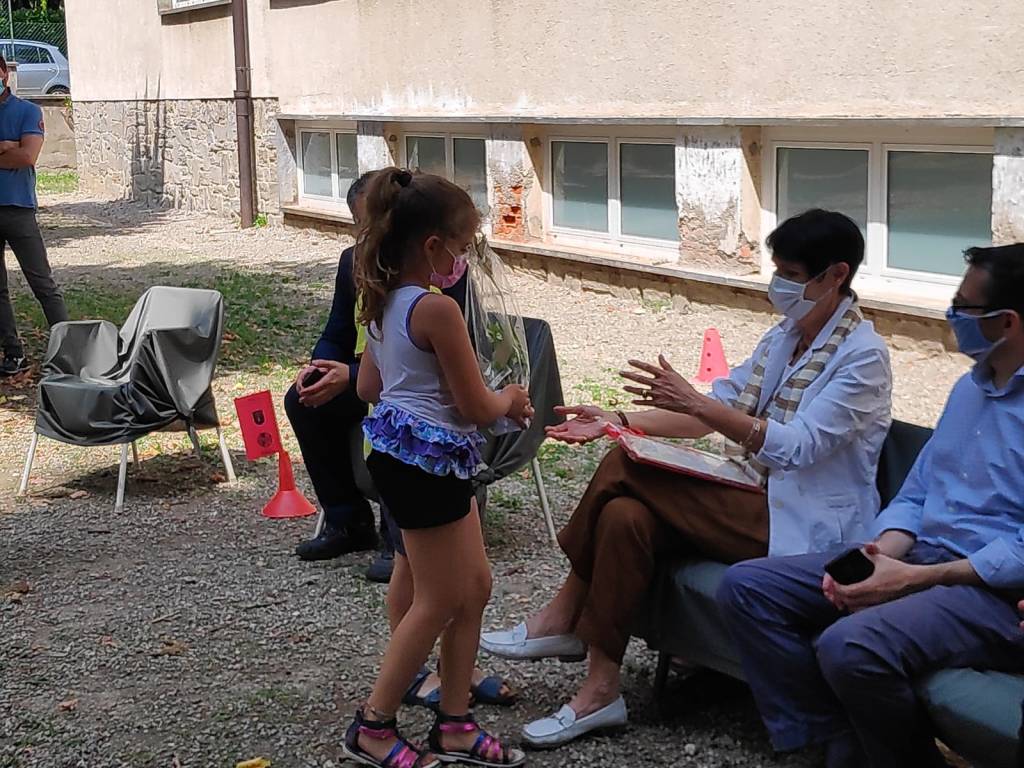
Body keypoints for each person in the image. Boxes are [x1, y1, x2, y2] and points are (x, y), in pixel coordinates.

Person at [481, 209, 893, 748]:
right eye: (778, 270)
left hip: (801, 521)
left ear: (836, 275)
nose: (779, 285)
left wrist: (696, 404)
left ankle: (564, 612)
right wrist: (618, 420)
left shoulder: (865, 357)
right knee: (625, 515)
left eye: (792, 274)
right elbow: (713, 410)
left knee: (627, 466)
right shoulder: (785, 336)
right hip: (747, 494)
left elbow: (797, 447)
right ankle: (601, 689)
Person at [716, 243, 1024, 768]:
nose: (950, 316)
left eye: (963, 306)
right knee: (747, 588)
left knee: (850, 646)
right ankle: (833, 740)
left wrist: (913, 579)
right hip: (921, 555)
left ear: (1007, 323)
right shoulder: (967, 390)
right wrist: (882, 553)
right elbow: (920, 491)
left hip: (992, 593)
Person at [343, 167, 531, 768]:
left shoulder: (379, 299)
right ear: (433, 246)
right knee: (439, 599)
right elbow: (477, 406)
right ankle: (373, 726)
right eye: (465, 244)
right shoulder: (437, 310)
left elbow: (371, 386)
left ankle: (454, 723)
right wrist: (513, 400)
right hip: (426, 466)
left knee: (473, 588)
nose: (466, 258)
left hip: (407, 459)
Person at [285, 170, 467, 573]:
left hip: (415, 388)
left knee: (393, 417)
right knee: (303, 401)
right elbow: (337, 330)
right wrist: (319, 368)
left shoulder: (439, 269)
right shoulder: (353, 263)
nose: (371, 237)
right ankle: (346, 520)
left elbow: (431, 356)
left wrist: (349, 376)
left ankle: (397, 535)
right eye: (364, 227)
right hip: (369, 377)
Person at [0, 54, 67, 377]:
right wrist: (4, 147)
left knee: (42, 282)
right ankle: (13, 353)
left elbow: (27, 157)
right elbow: (15, 153)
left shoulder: (27, 111)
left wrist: (15, 149)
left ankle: (69, 352)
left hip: (18, 209)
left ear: (4, 74)